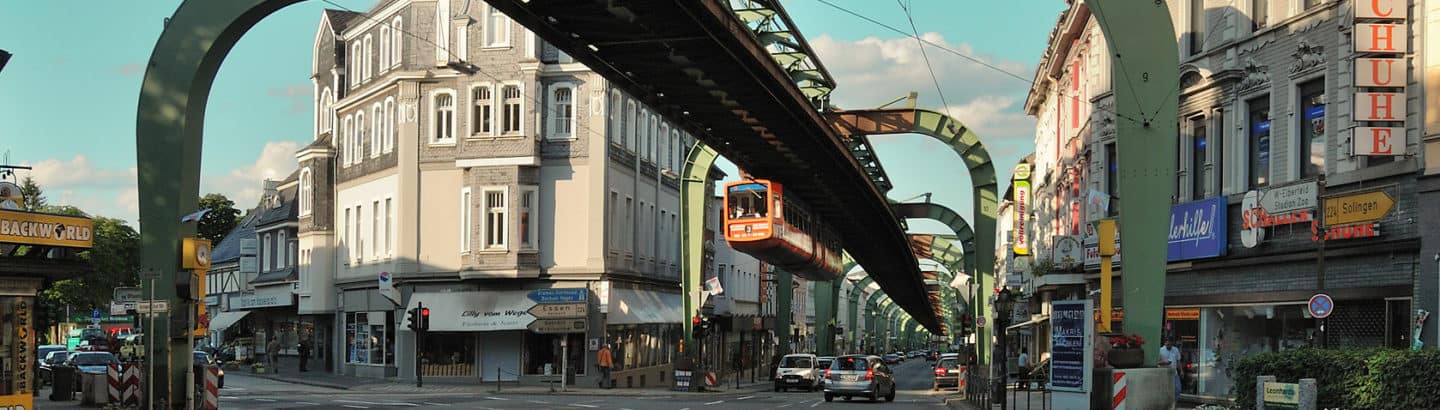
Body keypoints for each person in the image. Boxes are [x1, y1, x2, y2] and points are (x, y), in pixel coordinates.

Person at [1158, 337, 1181, 401]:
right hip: (1164, 373)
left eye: (1170, 345)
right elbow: (1156, 362)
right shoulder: (1160, 350)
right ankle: (1167, 403)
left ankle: (1174, 403)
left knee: (1178, 389)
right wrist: (1164, 362)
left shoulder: (1175, 350)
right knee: (1165, 390)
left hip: (1174, 373)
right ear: (1165, 343)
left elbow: (1178, 360)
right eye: (1168, 344)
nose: (1169, 346)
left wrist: (1181, 371)